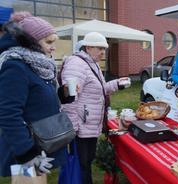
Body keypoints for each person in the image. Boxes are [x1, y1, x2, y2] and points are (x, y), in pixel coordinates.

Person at [0, 12, 65, 176]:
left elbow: (39, 99)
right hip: (28, 148)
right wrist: (27, 154)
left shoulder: (40, 64)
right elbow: (8, 114)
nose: (53, 46)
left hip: (44, 141)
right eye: (49, 42)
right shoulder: (15, 66)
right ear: (30, 42)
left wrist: (63, 95)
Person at [60, 31, 131, 184]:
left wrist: (117, 84)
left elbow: (100, 88)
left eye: (104, 49)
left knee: (86, 163)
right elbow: (69, 99)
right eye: (100, 49)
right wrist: (73, 128)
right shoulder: (76, 63)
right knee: (82, 165)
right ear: (89, 47)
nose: (103, 53)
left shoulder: (92, 64)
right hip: (80, 127)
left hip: (89, 124)